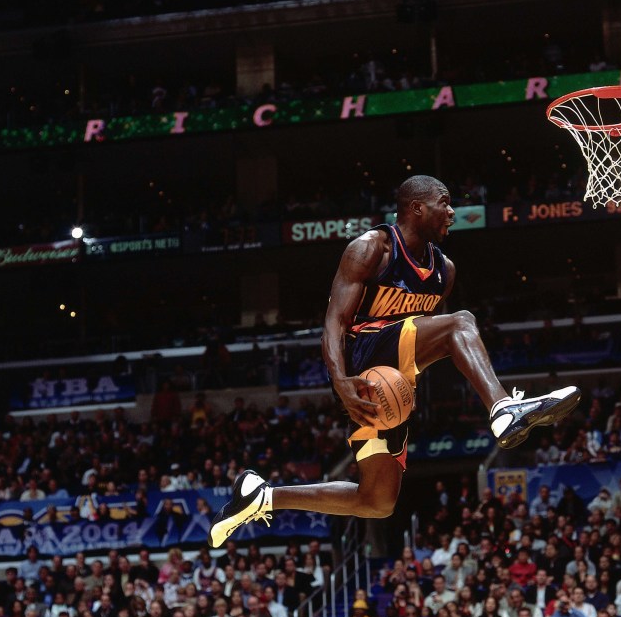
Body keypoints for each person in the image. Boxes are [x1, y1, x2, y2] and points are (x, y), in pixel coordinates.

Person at [207, 175, 580, 547]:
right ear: (417, 208)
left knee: (376, 501)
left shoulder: (443, 271)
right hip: (359, 361)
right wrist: (339, 380)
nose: (452, 211)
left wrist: (404, 387)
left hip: (388, 386)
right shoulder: (372, 248)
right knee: (461, 323)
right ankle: (502, 408)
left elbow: (422, 339)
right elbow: (334, 323)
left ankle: (262, 497)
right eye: (444, 202)